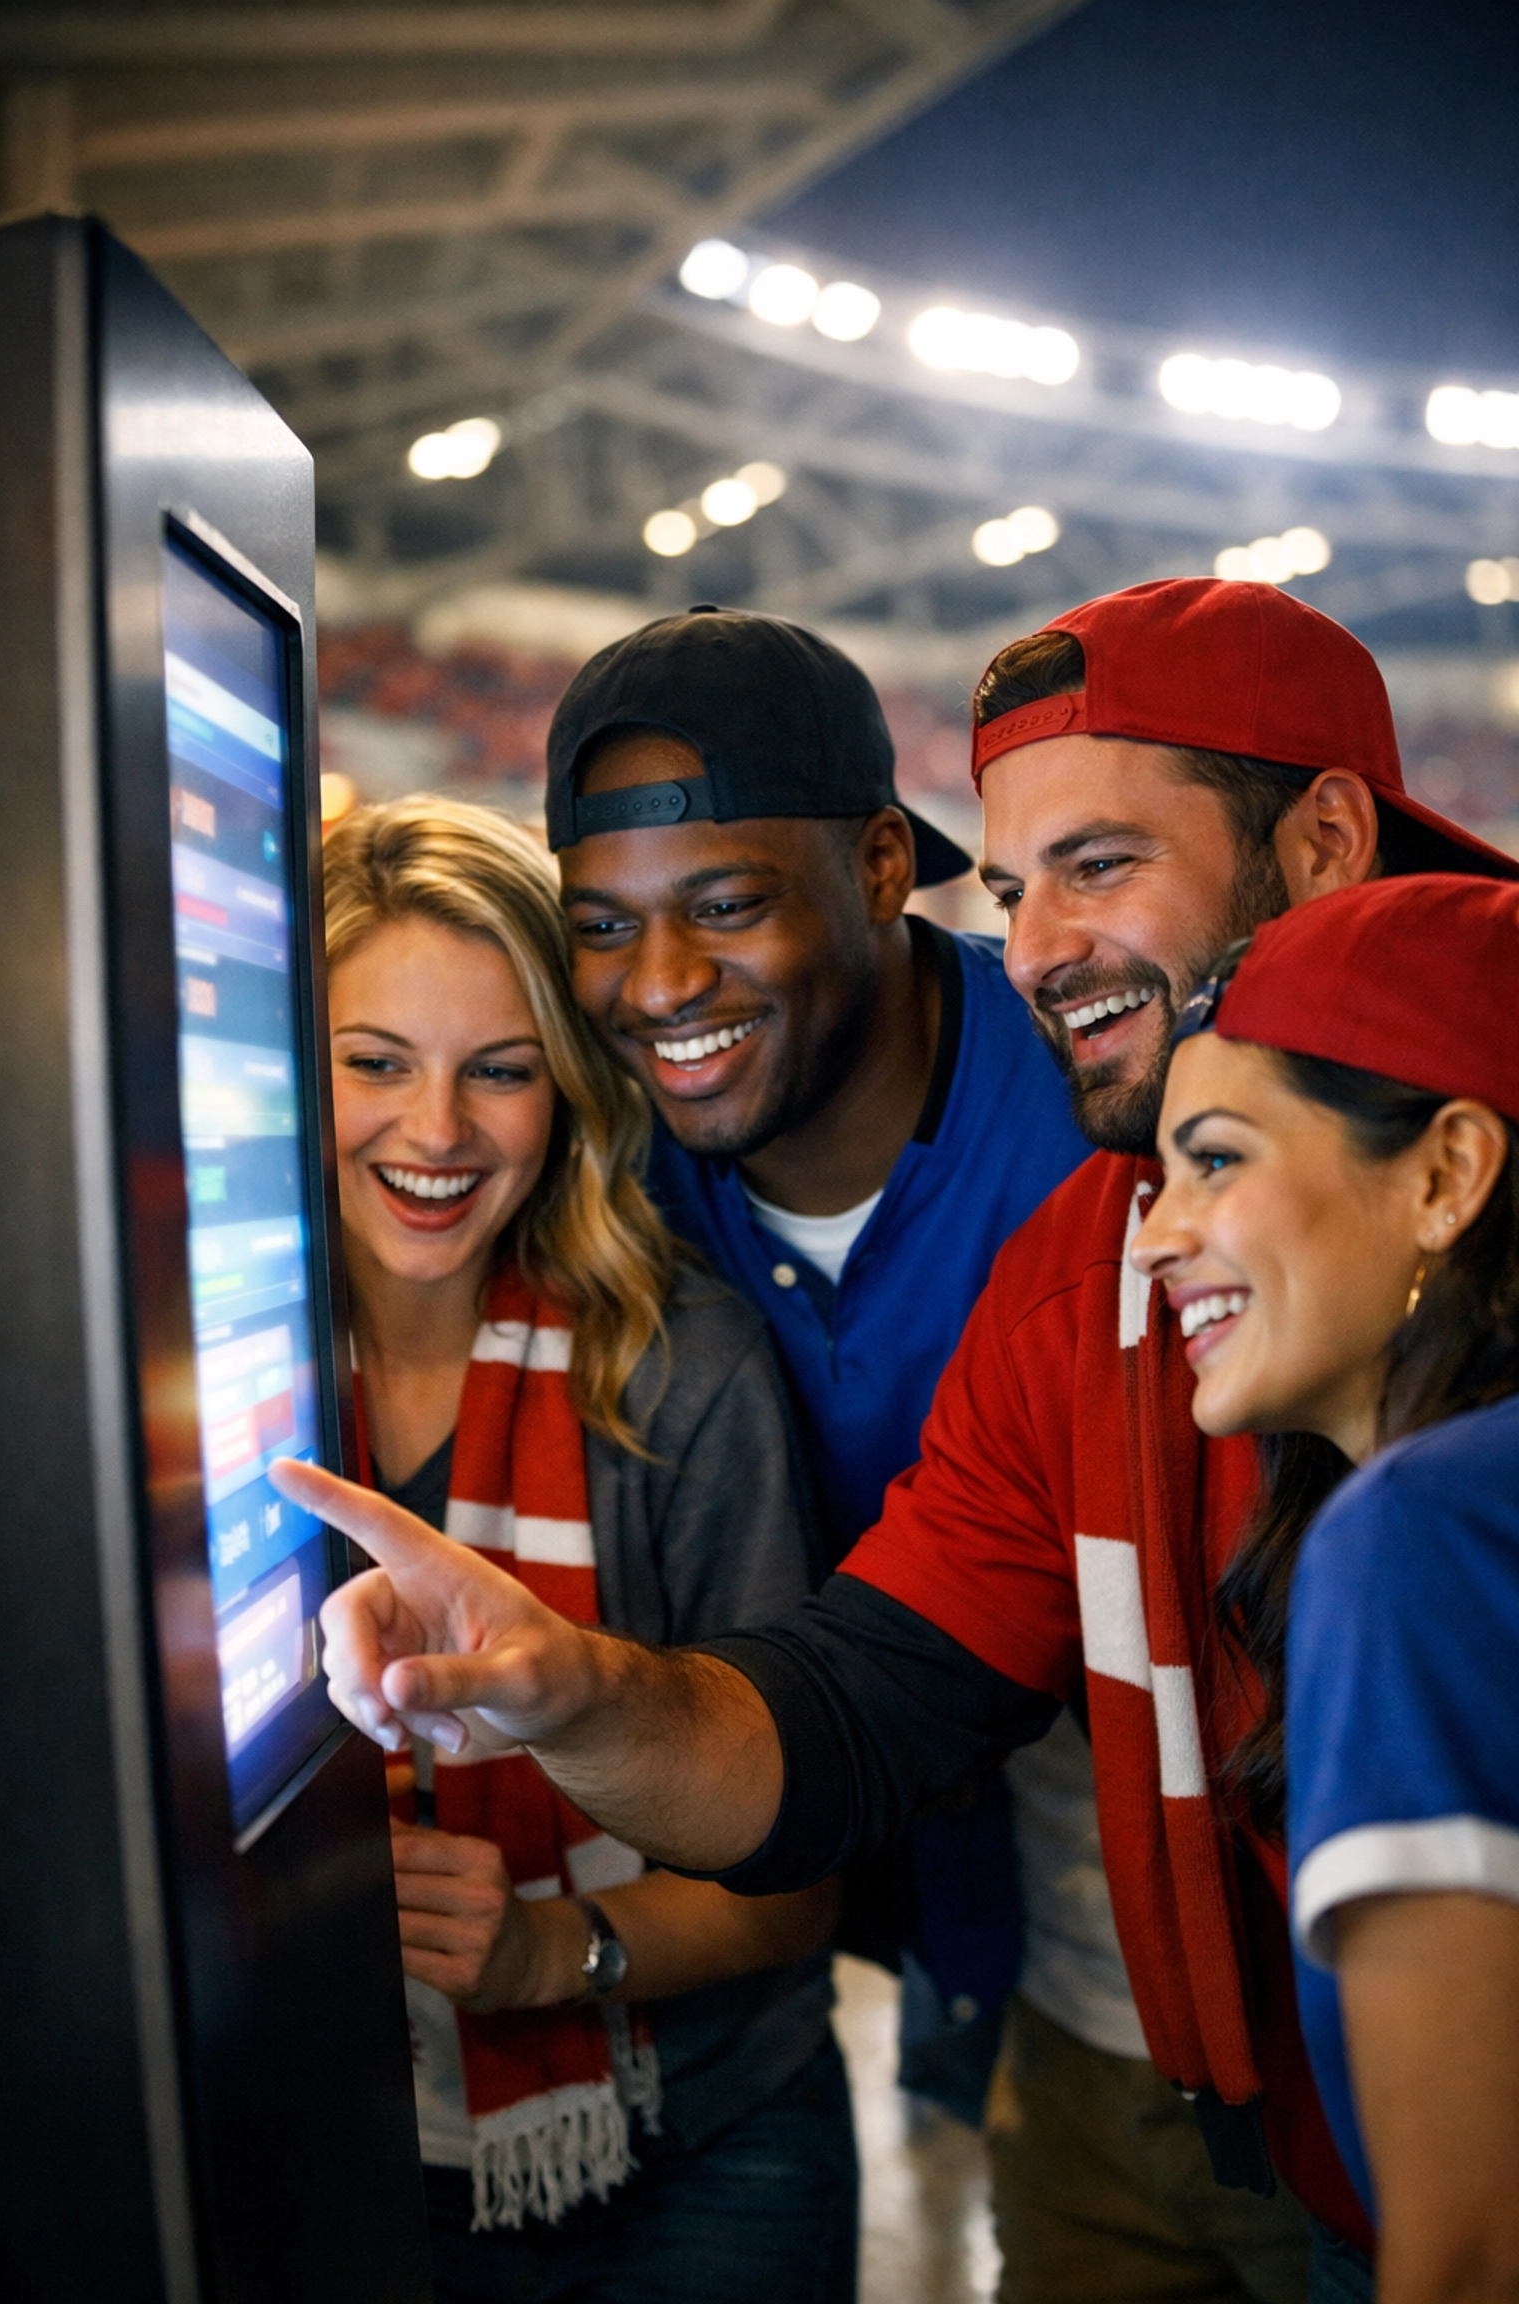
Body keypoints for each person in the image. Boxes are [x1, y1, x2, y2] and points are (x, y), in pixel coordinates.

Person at [279, 579, 1518, 2303]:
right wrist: (574, 1691)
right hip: (1129, 2033)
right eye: (1013, 891)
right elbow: (857, 1702)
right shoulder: (1079, 1262)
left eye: (1099, 867)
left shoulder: (1404, 1494)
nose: (1040, 950)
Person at [546, 601, 1135, 2172]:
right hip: (839, 1868)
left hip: (1156, 1892)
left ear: (881, 866)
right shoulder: (597, 1171)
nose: (661, 984)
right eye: (603, 925)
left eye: (727, 904)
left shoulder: (1102, 1109)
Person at [320, 795, 855, 2304]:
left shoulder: (688, 1371)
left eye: (501, 1070)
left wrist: (547, 1954)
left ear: (566, 1088)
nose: (437, 1131)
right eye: (375, 1062)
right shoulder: (195, 1377)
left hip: (703, 2147)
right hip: (331, 2140)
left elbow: (798, 1875)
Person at [1129, 875, 1519, 2304]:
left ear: (1446, 1174)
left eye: (1217, 1162)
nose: (1155, 1234)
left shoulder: (1421, 1535)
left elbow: (1469, 2253)